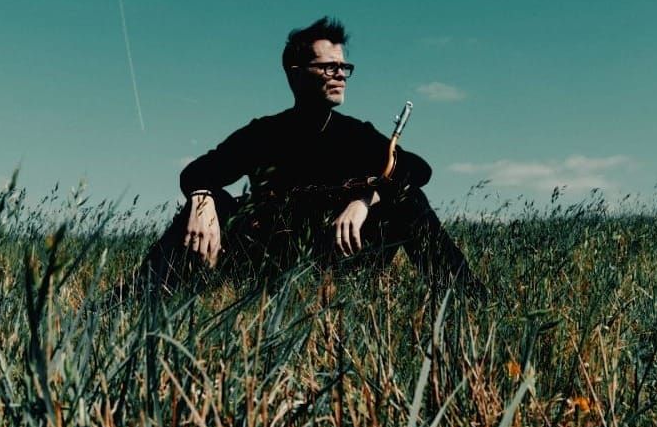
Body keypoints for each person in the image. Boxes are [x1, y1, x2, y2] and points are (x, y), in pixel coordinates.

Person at [139, 16, 479, 295]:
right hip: (271, 260)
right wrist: (203, 202)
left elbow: (418, 169)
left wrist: (365, 198)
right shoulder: (264, 132)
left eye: (344, 67)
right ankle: (133, 300)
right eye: (329, 67)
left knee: (409, 199)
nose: (340, 76)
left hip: (340, 256)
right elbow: (197, 172)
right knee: (207, 205)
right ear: (295, 73)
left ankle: (465, 299)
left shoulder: (356, 133)